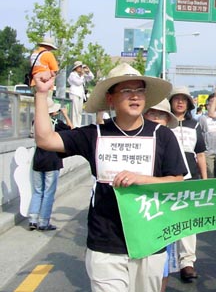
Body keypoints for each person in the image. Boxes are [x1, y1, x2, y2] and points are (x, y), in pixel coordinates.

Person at [33, 62, 186, 292]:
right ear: (110, 99)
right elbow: (45, 139)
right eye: (126, 91)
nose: (135, 96)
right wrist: (42, 94)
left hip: (150, 240)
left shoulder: (162, 135)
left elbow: (176, 182)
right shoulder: (95, 134)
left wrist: (142, 179)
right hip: (104, 243)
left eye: (140, 91)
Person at [168, 86, 208, 283]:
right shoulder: (164, 124)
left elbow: (200, 154)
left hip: (189, 179)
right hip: (166, 179)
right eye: (177, 99)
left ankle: (187, 263)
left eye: (184, 99)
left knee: (187, 221)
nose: (180, 102)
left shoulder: (195, 125)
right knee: (165, 218)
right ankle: (162, 261)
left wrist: (205, 180)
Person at [144, 99, 181, 292]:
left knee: (162, 265)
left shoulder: (169, 141)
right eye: (152, 113)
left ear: (168, 119)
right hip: (136, 212)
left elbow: (178, 180)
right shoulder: (135, 140)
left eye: (161, 115)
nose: (156, 118)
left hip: (163, 213)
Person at [28, 98, 73, 231]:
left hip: (38, 160)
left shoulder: (36, 122)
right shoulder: (57, 123)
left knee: (37, 191)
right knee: (48, 193)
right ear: (53, 112)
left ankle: (32, 219)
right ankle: (43, 222)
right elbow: (72, 129)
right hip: (52, 160)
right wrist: (65, 114)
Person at [198, 93, 216, 178]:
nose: (212, 103)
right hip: (208, 153)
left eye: (215, 101)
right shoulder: (202, 118)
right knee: (210, 176)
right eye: (210, 101)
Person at [68, 61, 94, 127]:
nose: (80, 68)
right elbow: (78, 82)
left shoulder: (82, 75)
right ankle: (74, 125)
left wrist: (88, 71)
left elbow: (91, 77)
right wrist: (82, 76)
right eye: (79, 67)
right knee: (75, 111)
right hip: (74, 93)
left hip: (81, 94)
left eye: (81, 67)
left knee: (79, 111)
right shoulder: (72, 74)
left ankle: (78, 125)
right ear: (75, 68)